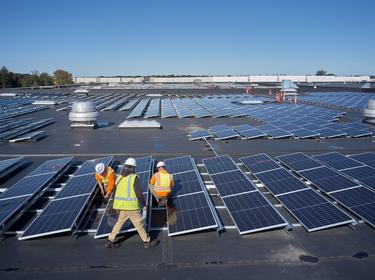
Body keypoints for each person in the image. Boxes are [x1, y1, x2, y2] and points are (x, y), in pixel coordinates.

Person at [105, 157, 159, 249]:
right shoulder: (134, 178)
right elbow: (139, 193)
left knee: (119, 223)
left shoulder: (119, 177)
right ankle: (147, 241)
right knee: (139, 224)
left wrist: (115, 205)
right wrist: (144, 204)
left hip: (122, 206)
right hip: (131, 207)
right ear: (133, 168)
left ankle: (110, 240)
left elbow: (115, 192)